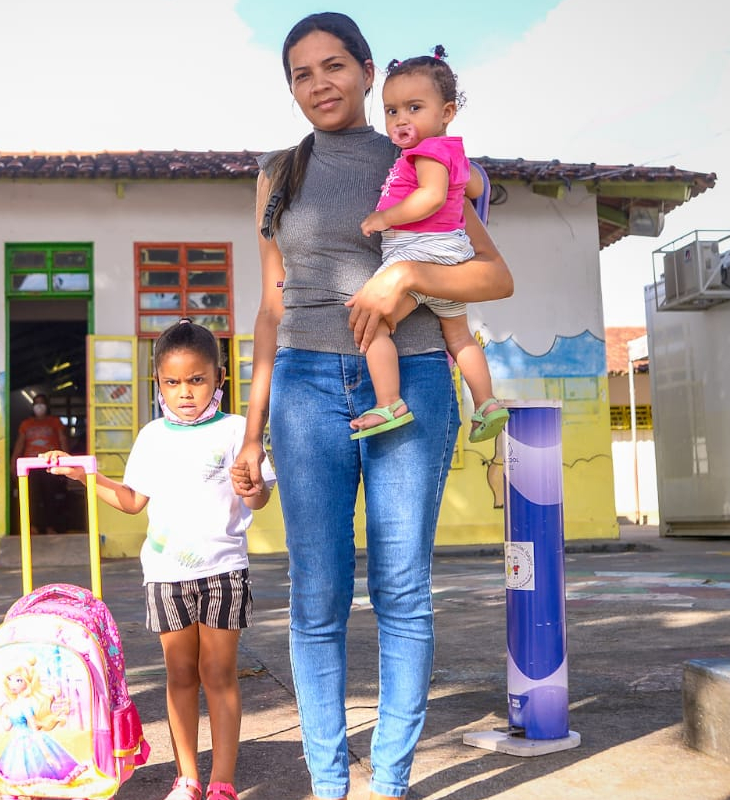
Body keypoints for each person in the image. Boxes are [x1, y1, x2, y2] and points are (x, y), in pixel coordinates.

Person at [230, 12, 512, 800]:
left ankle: (387, 782)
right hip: (305, 387)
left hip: (414, 381)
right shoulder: (277, 172)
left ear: (364, 69)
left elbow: (494, 278)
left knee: (400, 589)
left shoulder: (423, 151)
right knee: (315, 596)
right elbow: (269, 308)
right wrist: (250, 436)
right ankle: (328, 784)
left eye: (333, 67)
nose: (319, 84)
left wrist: (406, 279)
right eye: (301, 74)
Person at [46, 319, 274, 800]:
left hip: (223, 571)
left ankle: (223, 782)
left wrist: (251, 489)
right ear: (158, 385)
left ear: (219, 378)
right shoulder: (152, 437)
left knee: (219, 674)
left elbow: (258, 499)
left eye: (197, 379)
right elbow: (132, 501)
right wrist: (83, 475)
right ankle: (187, 777)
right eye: (173, 382)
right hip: (166, 576)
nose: (185, 392)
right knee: (179, 676)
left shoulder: (237, 431)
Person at [354, 46, 508, 443]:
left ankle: (389, 402)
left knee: (375, 327)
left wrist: (384, 217)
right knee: (457, 337)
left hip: (417, 250)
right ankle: (487, 402)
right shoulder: (450, 150)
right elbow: (471, 184)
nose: (401, 119)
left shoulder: (426, 151)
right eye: (392, 111)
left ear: (447, 113)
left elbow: (432, 198)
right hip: (449, 258)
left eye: (414, 108)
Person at [10, 393, 69, 535]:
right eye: (36, 403)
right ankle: (33, 527)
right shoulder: (26, 424)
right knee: (31, 497)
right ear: (33, 406)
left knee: (51, 496)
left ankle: (51, 527)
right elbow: (20, 444)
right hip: (30, 466)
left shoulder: (55, 422)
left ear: (47, 406)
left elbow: (63, 440)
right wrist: (13, 463)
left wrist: (67, 461)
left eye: (42, 403)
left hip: (50, 464)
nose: (39, 406)